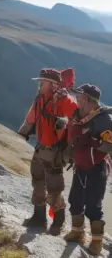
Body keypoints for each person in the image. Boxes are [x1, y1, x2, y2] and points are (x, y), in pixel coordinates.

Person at [18, 68, 78, 236]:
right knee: (37, 182)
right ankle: (39, 218)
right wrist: (21, 133)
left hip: (56, 152)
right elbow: (30, 119)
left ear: (53, 85)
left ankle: (58, 222)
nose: (39, 84)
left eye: (42, 82)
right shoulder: (40, 99)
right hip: (41, 148)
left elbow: (77, 116)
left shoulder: (63, 100)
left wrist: (65, 98)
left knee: (54, 188)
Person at [64, 84, 112, 256]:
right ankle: (77, 232)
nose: (77, 100)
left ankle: (97, 241)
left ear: (89, 101)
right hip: (80, 166)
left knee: (93, 206)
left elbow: (107, 146)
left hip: (96, 169)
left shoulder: (104, 120)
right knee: (75, 200)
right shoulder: (78, 116)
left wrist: (90, 140)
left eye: (80, 98)